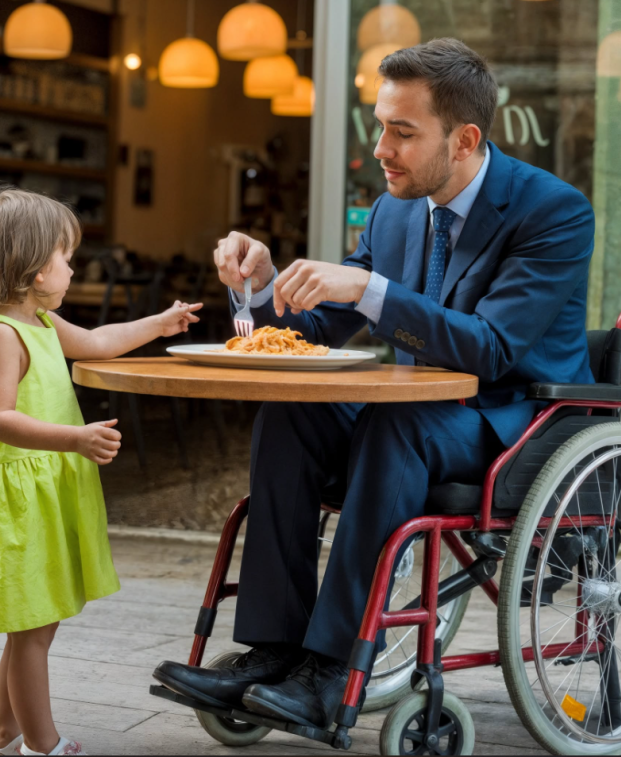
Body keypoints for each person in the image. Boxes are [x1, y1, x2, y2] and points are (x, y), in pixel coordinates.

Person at [155, 38, 595, 730]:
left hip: (515, 422)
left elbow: (494, 348)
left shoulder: (553, 211)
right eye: (380, 125)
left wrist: (372, 287)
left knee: (396, 425)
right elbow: (324, 326)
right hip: (418, 413)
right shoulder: (394, 209)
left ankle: (333, 670)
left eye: (403, 132)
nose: (382, 147)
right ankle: (272, 652)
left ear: (464, 139)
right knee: (292, 411)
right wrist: (264, 283)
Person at [0, 188, 202, 756]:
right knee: (32, 629)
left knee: (34, 622)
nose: (73, 267)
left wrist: (160, 323)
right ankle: (42, 745)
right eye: (64, 255)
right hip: (18, 500)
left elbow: (98, 341)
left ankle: (1, 736)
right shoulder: (1, 334)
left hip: (45, 491)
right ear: (29, 267)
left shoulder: (41, 319)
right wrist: (76, 437)